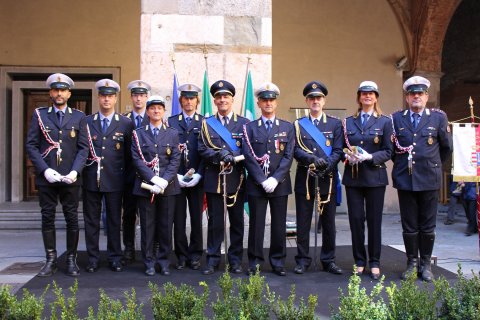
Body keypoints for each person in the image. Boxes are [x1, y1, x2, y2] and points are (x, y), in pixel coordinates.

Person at [25, 73, 88, 277]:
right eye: (55, 90)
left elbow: (83, 148)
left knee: (72, 218)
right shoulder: (40, 115)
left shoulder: (79, 117)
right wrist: (45, 170)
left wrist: (75, 171)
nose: (59, 93)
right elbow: (31, 145)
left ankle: (71, 259)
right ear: (50, 93)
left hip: (70, 177)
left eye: (63, 90)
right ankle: (51, 259)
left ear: (69, 93)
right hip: (47, 177)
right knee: (47, 218)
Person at [391, 75, 452, 282]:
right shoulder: (396, 118)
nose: (416, 97)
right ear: (407, 98)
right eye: (412, 94)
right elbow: (392, 149)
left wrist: (431, 165)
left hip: (429, 179)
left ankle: (425, 264)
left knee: (427, 225)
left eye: (420, 93)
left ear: (426, 97)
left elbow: (446, 148)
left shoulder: (438, 118)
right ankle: (411, 263)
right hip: (405, 179)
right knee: (409, 225)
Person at [342, 81, 393, 280]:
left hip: (375, 178)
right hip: (354, 178)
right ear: (359, 97)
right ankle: (359, 261)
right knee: (356, 221)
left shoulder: (385, 122)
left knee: (374, 221)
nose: (367, 96)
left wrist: (371, 157)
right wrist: (348, 156)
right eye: (364, 93)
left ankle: (374, 262)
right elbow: (341, 149)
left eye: (371, 93)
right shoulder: (348, 122)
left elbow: (389, 151)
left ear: (376, 97)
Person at [243, 82, 294, 276]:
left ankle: (278, 262)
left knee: (279, 225)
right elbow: (248, 155)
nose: (268, 103)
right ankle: (255, 262)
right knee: (256, 224)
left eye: (271, 100)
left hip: (279, 184)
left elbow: (288, 156)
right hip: (257, 185)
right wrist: (262, 179)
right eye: (264, 100)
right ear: (258, 103)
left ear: (276, 103)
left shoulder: (287, 127)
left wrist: (275, 178)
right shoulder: (250, 128)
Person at [82, 79, 134, 273]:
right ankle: (93, 258)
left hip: (115, 180)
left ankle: (115, 257)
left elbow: (130, 155)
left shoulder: (126, 123)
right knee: (91, 221)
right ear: (98, 97)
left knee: (114, 220)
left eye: (110, 96)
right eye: (103, 95)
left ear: (115, 98)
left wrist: (126, 180)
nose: (106, 99)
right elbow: (82, 150)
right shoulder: (87, 122)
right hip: (91, 179)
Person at [198, 80, 249, 275]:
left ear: (232, 99)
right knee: (215, 223)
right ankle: (212, 260)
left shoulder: (244, 123)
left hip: (236, 180)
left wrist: (234, 158)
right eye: (218, 97)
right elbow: (202, 148)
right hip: (214, 179)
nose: (222, 99)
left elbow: (248, 149)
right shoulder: (207, 123)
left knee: (237, 222)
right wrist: (219, 155)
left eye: (226, 96)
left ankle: (235, 260)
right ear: (215, 100)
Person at [293, 80, 343, 275]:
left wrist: (327, 165)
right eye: (312, 98)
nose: (316, 101)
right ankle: (303, 260)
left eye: (319, 98)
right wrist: (313, 160)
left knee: (329, 222)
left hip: (327, 178)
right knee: (303, 221)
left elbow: (338, 150)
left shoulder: (335, 124)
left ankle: (328, 260)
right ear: (307, 101)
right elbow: (295, 150)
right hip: (305, 178)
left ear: (324, 100)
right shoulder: (298, 125)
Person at [131, 95, 181, 276]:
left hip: (168, 188)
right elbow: (136, 160)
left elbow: (176, 159)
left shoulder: (173, 133)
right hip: (146, 187)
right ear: (148, 111)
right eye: (152, 108)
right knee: (147, 226)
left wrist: (165, 181)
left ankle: (163, 261)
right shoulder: (138, 133)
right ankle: (149, 261)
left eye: (159, 108)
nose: (156, 111)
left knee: (166, 226)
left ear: (163, 111)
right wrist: (153, 179)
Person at [168, 83, 205, 271]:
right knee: (179, 219)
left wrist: (199, 173)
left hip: (197, 178)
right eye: (185, 98)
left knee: (197, 219)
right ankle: (181, 255)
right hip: (177, 178)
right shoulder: (171, 121)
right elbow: (166, 152)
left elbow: (206, 152)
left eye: (192, 98)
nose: (188, 101)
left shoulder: (205, 122)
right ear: (181, 100)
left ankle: (196, 254)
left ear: (197, 101)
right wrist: (175, 175)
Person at [122, 80, 151, 263]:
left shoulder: (155, 118)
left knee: (149, 215)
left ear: (147, 97)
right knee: (129, 214)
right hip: (129, 176)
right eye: (135, 95)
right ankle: (129, 249)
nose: (138, 98)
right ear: (131, 97)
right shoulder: (123, 120)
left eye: (142, 95)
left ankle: (150, 249)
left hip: (149, 176)